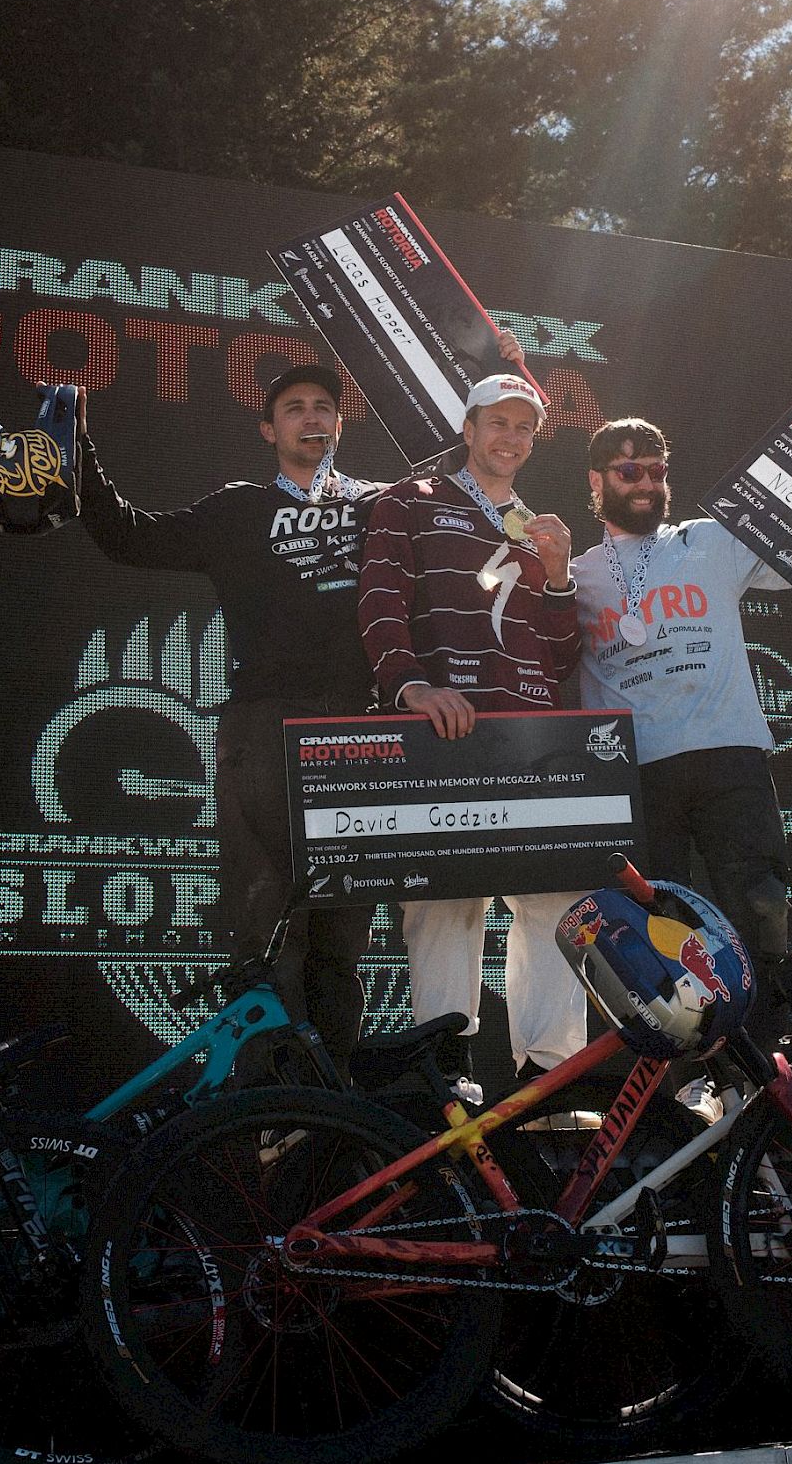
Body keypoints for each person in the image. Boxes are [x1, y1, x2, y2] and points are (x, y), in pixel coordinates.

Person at [571, 417, 792, 1055]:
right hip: (635, 772)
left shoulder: (712, 540)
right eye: (630, 472)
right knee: (658, 944)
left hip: (728, 758)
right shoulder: (574, 575)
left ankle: (769, 1075)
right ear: (597, 482)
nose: (649, 483)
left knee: (761, 912)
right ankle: (679, 1097)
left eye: (658, 470)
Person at [75, 364, 383, 1079]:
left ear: (340, 426)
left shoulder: (380, 506)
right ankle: (265, 1117)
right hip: (265, 732)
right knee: (269, 936)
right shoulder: (240, 506)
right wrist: (78, 446)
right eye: (294, 408)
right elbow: (129, 536)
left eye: (325, 408)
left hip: (359, 734)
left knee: (343, 939)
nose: (312, 418)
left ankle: (331, 1119)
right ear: (268, 429)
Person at [358, 372, 588, 1083]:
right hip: (446, 732)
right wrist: (410, 684)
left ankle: (551, 1077)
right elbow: (379, 595)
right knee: (444, 897)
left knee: (554, 900)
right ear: (467, 428)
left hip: (528, 738)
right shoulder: (410, 499)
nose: (511, 438)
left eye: (524, 428)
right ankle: (444, 1067)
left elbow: (560, 654)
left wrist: (558, 579)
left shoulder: (536, 525)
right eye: (498, 423)